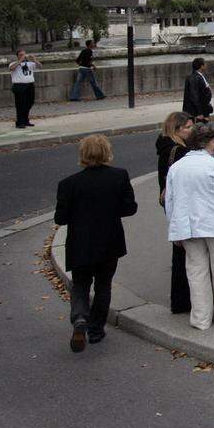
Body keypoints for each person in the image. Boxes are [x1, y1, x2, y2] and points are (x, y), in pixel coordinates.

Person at [54, 134, 137, 352]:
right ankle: (96, 329)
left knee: (80, 284)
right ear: (107, 152)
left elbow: (60, 218)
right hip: (109, 240)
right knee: (103, 284)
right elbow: (130, 208)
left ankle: (80, 317)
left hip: (80, 242)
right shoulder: (119, 176)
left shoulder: (68, 184)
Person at [165, 124, 214, 330]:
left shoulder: (176, 168)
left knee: (196, 272)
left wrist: (175, 231)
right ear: (206, 143)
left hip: (188, 227)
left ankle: (201, 318)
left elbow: (170, 202)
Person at [156, 112, 194, 313]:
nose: (191, 130)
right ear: (176, 129)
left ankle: (180, 299)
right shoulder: (179, 152)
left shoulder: (165, 147)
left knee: (180, 251)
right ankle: (183, 299)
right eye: (187, 127)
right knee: (185, 253)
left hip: (172, 204)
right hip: (181, 205)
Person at [9, 49, 40, 128]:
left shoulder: (30, 63)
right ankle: (20, 122)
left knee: (29, 103)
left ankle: (25, 120)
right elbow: (11, 68)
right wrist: (20, 61)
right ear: (18, 56)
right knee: (20, 104)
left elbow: (40, 66)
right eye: (21, 55)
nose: (23, 56)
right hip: (19, 86)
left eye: (24, 54)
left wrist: (35, 60)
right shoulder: (14, 63)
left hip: (30, 85)